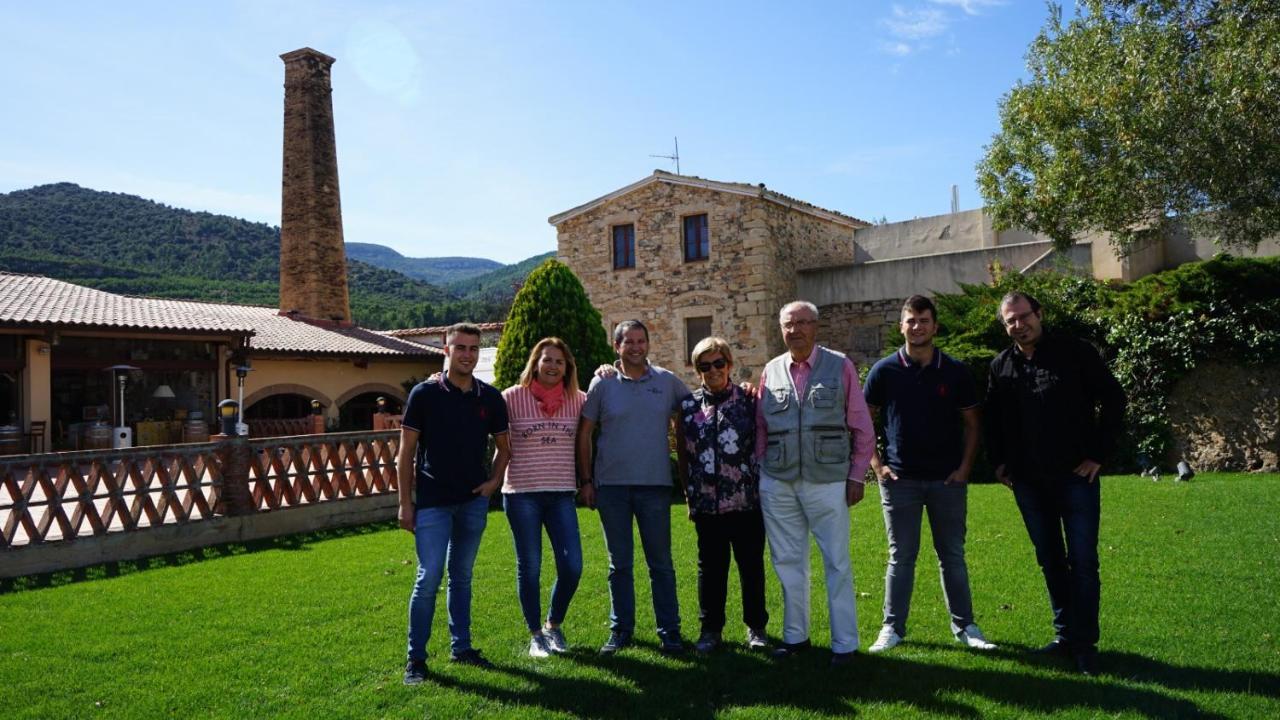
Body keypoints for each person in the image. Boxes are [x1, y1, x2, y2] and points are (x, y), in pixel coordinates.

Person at [985, 291, 1125, 676]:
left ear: (1039, 314)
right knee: (1050, 560)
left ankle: (1085, 644)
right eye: (1010, 320)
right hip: (1028, 481)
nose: (1019, 324)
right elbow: (994, 419)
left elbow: (1113, 400)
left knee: (1082, 561)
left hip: (1075, 475)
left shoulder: (1075, 352)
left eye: (1023, 316)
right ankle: (1065, 635)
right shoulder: (1001, 366)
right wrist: (998, 462)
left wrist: (1098, 454)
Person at [863, 295, 996, 654]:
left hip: (946, 482)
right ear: (901, 326)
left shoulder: (954, 371)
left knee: (952, 555)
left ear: (935, 326)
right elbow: (862, 423)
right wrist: (878, 467)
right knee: (900, 556)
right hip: (899, 482)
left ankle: (966, 626)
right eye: (911, 320)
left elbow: (972, 424)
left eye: (924, 320)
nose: (917, 326)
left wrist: (965, 469)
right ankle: (892, 628)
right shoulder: (883, 371)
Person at [755, 301, 875, 665]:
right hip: (779, 481)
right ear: (781, 328)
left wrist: (856, 475)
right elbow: (761, 428)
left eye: (804, 323)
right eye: (789, 324)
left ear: (816, 327)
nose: (796, 330)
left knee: (836, 562)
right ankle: (795, 637)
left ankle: (845, 644)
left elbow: (862, 427)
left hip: (827, 480)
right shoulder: (771, 370)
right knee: (787, 561)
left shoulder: (840, 366)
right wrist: (763, 470)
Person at [398, 323, 511, 685]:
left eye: (473, 348)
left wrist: (493, 482)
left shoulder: (490, 398)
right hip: (432, 502)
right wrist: (405, 504)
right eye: (460, 348)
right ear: (445, 350)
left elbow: (504, 449)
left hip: (472, 502)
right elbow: (406, 454)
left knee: (462, 577)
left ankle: (461, 648)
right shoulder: (424, 394)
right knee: (429, 576)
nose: (467, 354)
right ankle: (416, 659)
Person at [577, 319, 690, 655]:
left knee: (661, 564)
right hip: (611, 488)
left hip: (655, 486)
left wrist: (740, 388)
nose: (637, 347)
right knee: (620, 564)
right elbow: (584, 433)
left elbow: (696, 408)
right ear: (617, 347)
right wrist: (586, 481)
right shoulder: (602, 383)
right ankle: (621, 630)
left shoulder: (667, 381)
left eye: (642, 341)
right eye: (629, 342)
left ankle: (669, 631)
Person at [675, 336, 769, 654]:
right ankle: (711, 630)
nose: (712, 370)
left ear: (729, 364)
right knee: (711, 569)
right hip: (707, 505)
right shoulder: (688, 407)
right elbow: (684, 455)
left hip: (745, 501)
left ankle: (756, 627)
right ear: (697, 369)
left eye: (718, 363)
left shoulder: (748, 400)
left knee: (751, 566)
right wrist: (689, 496)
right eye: (705, 365)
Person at [501, 338, 587, 658]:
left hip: (561, 494)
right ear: (535, 363)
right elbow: (475, 407)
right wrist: (438, 379)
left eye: (559, 362)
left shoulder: (578, 400)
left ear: (568, 368)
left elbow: (608, 405)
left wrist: (608, 371)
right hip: (522, 495)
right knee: (531, 567)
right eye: (547, 360)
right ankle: (536, 634)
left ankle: (554, 624)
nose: (552, 366)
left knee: (572, 566)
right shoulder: (511, 397)